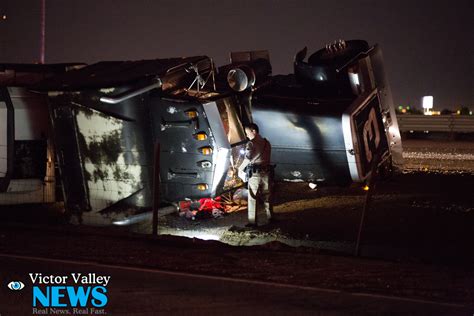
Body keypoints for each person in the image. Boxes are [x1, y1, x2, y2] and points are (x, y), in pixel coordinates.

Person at [242, 123, 273, 227]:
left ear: (253, 131)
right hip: (266, 172)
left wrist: (240, 168)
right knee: (267, 196)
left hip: (255, 174)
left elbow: (247, 158)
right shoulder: (266, 142)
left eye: (247, 133)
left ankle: (252, 222)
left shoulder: (251, 144)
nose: (246, 135)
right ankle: (270, 218)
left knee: (252, 197)